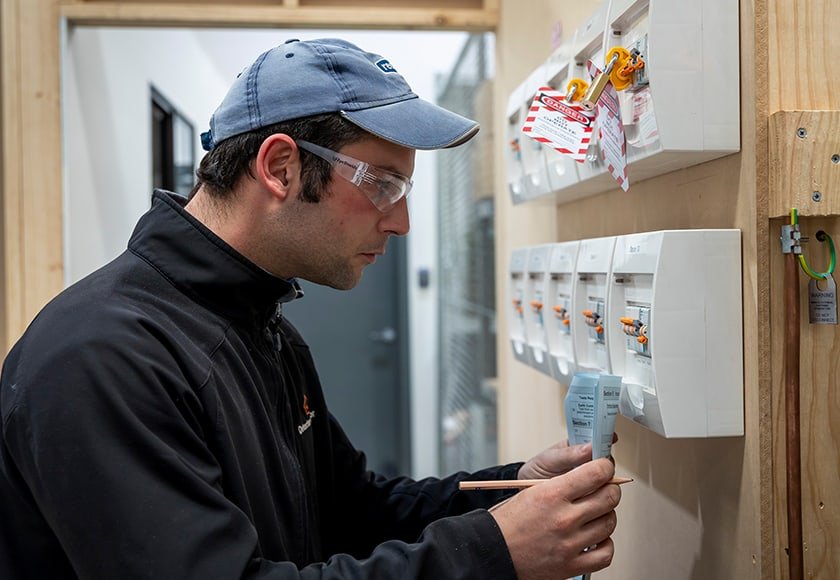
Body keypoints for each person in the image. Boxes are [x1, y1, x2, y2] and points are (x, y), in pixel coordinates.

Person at [0, 38, 620, 579]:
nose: (401, 222)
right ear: (280, 167)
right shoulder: (101, 357)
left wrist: (512, 493)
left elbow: (353, 512)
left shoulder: (262, 329)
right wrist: (492, 552)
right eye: (383, 184)